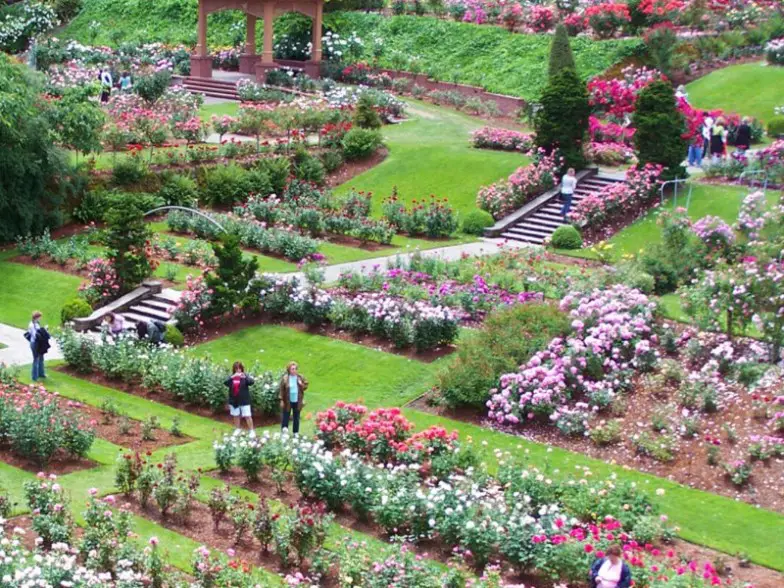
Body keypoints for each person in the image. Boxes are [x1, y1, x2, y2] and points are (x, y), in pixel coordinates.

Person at [225, 361, 255, 435]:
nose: (238, 370)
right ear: (234, 369)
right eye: (236, 369)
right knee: (236, 415)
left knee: (247, 415)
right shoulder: (232, 377)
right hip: (234, 400)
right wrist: (232, 377)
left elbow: (251, 382)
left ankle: (251, 431)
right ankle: (237, 429)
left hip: (244, 400)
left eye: (239, 368)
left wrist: (245, 377)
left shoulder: (244, 376)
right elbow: (226, 383)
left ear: (242, 369)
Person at [279, 361, 308, 435]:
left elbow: (305, 386)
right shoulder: (285, 378)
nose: (294, 370)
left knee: (296, 417)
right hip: (287, 400)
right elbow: (281, 389)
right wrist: (281, 400)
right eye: (292, 369)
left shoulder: (300, 377)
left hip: (297, 400)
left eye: (295, 369)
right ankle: (284, 432)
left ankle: (295, 432)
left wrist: (301, 384)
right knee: (286, 416)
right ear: (289, 370)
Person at [25, 311, 50, 382]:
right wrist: (45, 330)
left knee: (41, 358)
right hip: (35, 343)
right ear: (37, 317)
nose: (40, 318)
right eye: (40, 317)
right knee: (36, 359)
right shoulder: (32, 325)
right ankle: (34, 377)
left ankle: (41, 373)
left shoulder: (36, 323)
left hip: (38, 343)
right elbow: (36, 335)